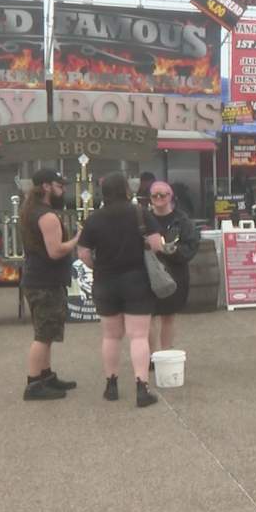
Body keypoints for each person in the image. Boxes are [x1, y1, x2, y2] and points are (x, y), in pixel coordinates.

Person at [77, 173, 164, 408]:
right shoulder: (139, 213)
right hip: (136, 280)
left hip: (105, 282)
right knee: (138, 336)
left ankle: (111, 385)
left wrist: (99, 265)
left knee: (110, 336)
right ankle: (141, 387)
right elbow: (157, 244)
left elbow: (83, 253)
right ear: (127, 189)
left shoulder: (94, 219)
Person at [20, 169, 81, 401]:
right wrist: (76, 239)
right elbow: (55, 251)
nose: (63, 189)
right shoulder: (46, 216)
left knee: (46, 331)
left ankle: (46, 376)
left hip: (38, 279)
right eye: (59, 185)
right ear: (46, 186)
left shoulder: (30, 211)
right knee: (43, 335)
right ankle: (34, 384)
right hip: (45, 282)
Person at [147, 182, 199, 355]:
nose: (158, 199)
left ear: (170, 196)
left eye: (162, 195)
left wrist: (168, 251)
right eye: (154, 195)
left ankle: (166, 354)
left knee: (168, 316)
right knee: (148, 317)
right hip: (147, 274)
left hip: (174, 273)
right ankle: (151, 356)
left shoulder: (183, 221)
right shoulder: (143, 219)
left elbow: (190, 248)